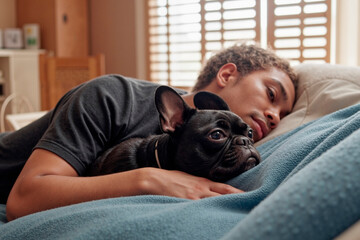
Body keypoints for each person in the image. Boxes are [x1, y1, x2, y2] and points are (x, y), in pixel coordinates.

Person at [2, 44, 297, 221]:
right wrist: (147, 179)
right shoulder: (114, 97)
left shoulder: (234, 150)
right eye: (271, 94)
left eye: (283, 115)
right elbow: (24, 200)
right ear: (227, 74)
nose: (274, 117)